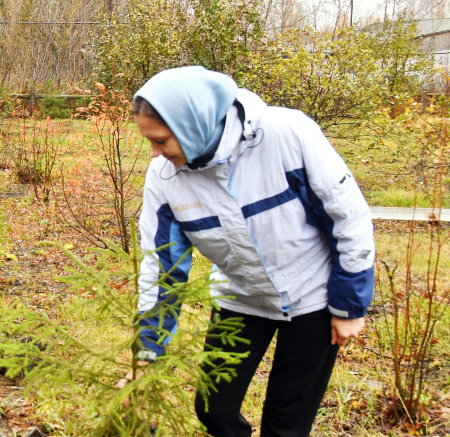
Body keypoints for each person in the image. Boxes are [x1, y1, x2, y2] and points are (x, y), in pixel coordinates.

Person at [120, 66, 375, 436]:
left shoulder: (288, 134)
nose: (156, 153)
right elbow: (160, 268)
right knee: (213, 409)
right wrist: (147, 351)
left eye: (161, 140)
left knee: (285, 425)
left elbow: (348, 217)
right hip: (239, 298)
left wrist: (349, 306)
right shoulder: (165, 177)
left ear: (193, 125)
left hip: (312, 299)